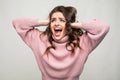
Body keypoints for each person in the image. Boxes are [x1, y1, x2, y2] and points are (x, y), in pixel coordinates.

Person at [12, 5, 110, 80]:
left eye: (62, 20)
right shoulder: (39, 40)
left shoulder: (82, 42)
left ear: (68, 24)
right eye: (53, 20)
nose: (57, 23)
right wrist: (44, 22)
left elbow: (104, 27)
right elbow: (17, 23)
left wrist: (74, 24)